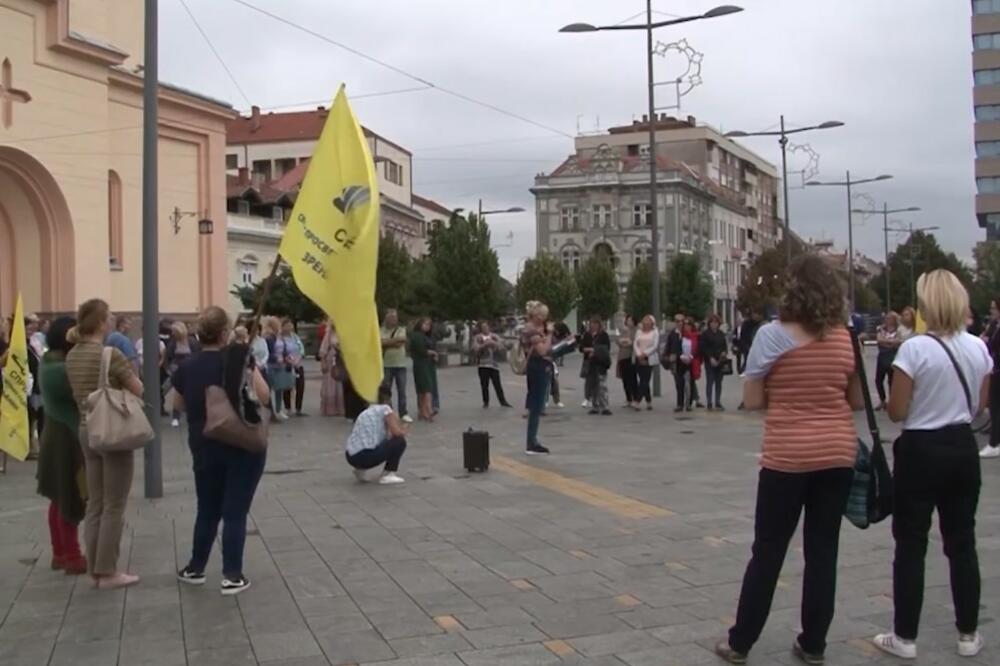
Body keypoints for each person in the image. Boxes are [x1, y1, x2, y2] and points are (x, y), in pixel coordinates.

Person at [716, 255, 862, 665]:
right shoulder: (844, 337)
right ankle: (813, 644)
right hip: (837, 454)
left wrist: (787, 394)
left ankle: (740, 642)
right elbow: (855, 400)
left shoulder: (771, 335)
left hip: (787, 456)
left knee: (768, 550)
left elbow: (753, 400)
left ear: (792, 289)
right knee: (823, 552)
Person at [872, 270, 992, 660]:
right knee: (962, 543)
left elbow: (897, 412)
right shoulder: (978, 348)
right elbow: (979, 407)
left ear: (927, 305)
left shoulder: (914, 350)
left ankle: (905, 636)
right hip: (961, 446)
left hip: (921, 449)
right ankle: (969, 634)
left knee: (911, 543)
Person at [173, 306, 270, 596]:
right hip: (242, 444)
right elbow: (263, 396)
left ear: (199, 335)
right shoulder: (239, 360)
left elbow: (176, 404)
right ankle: (232, 575)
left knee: (207, 508)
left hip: (204, 445)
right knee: (235, 511)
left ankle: (196, 567)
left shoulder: (187, 366)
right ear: (225, 333)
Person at [65, 298, 144, 590]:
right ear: (100, 323)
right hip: (112, 431)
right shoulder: (109, 354)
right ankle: (108, 571)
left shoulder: (72, 355)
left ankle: (95, 570)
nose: (111, 321)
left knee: (95, 503)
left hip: (86, 429)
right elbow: (138, 388)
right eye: (108, 317)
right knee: (114, 504)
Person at [36, 317, 87, 575]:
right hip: (65, 435)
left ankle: (60, 552)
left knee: (58, 497)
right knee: (69, 494)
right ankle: (72, 555)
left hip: (56, 432)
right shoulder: (60, 369)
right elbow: (81, 393)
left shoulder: (50, 362)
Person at [345, 385, 408, 485]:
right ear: (388, 399)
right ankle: (388, 473)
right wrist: (404, 429)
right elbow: (396, 433)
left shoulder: (366, 411)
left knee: (370, 442)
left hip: (351, 455)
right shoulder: (385, 409)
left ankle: (360, 470)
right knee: (400, 441)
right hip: (365, 456)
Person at [522, 302, 553, 455]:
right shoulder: (531, 329)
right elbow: (542, 350)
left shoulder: (534, 329)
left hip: (539, 366)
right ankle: (531, 441)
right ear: (535, 314)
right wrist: (549, 336)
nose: (543, 318)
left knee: (537, 404)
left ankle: (532, 440)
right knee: (537, 404)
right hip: (537, 366)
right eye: (541, 314)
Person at [165, 321, 200, 427]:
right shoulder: (173, 342)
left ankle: (192, 415)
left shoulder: (192, 341)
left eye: (175, 332)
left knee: (191, 394)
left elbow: (198, 355)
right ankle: (176, 417)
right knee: (178, 394)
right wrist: (169, 370)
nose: (173, 334)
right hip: (177, 370)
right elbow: (168, 356)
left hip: (191, 370)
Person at [380, 309, 412, 423]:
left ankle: (403, 412)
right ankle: (389, 412)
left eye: (395, 317)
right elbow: (380, 342)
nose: (394, 319)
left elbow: (401, 341)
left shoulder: (401, 329)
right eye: (391, 317)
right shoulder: (381, 330)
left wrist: (388, 341)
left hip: (400, 364)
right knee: (386, 390)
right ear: (386, 318)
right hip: (386, 364)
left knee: (401, 390)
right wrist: (394, 341)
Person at [474, 321, 512, 408]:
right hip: (483, 365)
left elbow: (502, 345)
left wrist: (493, 343)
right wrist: (484, 345)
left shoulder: (494, 336)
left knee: (497, 384)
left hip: (494, 364)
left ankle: (503, 401)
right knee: (484, 385)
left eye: (486, 327)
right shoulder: (478, 337)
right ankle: (486, 402)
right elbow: (476, 349)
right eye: (483, 327)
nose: (485, 329)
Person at [580, 316, 612, 415]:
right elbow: (581, 348)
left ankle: (605, 406)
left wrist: (595, 351)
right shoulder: (587, 335)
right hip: (590, 363)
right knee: (592, 385)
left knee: (602, 385)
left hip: (600, 363)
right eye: (591, 324)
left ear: (599, 324)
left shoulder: (603, 335)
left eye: (595, 323)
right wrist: (588, 350)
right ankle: (595, 406)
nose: (593, 326)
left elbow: (606, 348)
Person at [981, 298, 1000, 459]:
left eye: (994, 308)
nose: (991, 311)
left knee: (995, 407)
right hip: (995, 370)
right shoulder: (994, 326)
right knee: (994, 407)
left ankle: (994, 443)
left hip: (998, 370)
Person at [410, 317, 439, 421]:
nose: (427, 326)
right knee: (426, 388)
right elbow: (421, 350)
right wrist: (432, 352)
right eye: (425, 324)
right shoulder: (417, 336)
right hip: (421, 364)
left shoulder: (426, 336)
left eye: (429, 325)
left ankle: (422, 411)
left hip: (428, 364)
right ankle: (429, 410)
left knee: (423, 389)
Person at [263, 317, 291, 422]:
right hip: (271, 366)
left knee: (280, 388)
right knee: (269, 389)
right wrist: (276, 358)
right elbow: (268, 353)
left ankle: (278, 410)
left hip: (280, 365)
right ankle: (270, 412)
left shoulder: (278, 336)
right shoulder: (269, 337)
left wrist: (286, 356)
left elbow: (283, 349)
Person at [700, 314, 728, 411]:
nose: (714, 324)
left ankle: (717, 401)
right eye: (712, 322)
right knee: (710, 381)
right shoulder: (705, 334)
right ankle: (709, 402)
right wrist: (710, 357)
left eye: (716, 322)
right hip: (710, 361)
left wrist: (724, 353)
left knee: (719, 382)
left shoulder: (721, 334)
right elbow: (703, 347)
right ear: (709, 323)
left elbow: (725, 346)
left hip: (720, 360)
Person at [279, 318, 307, 416]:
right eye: (287, 325)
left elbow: (301, 349)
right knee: (287, 387)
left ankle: (298, 408)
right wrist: (290, 361)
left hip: (298, 364)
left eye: (290, 325)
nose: (289, 327)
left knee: (300, 386)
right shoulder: (281, 338)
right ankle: (288, 408)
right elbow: (281, 351)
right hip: (287, 365)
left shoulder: (295, 337)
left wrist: (298, 359)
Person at [875, 312, 902, 411]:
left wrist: (886, 342)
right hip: (882, 356)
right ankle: (882, 400)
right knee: (878, 380)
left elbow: (898, 342)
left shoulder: (899, 330)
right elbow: (879, 340)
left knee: (891, 380)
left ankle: (892, 401)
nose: (888, 320)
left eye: (890, 318)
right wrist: (891, 343)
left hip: (893, 357)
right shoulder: (880, 328)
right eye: (887, 318)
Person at [632, 315, 659, 411]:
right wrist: (639, 354)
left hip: (649, 358)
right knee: (643, 381)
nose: (646, 322)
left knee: (644, 380)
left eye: (648, 320)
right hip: (639, 358)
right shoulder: (639, 331)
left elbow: (655, 345)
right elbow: (635, 343)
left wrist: (645, 354)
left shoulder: (655, 332)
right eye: (644, 320)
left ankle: (637, 401)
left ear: (652, 322)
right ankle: (649, 401)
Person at [318, 320, 345, 417]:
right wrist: (323, 362)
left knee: (341, 383)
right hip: (331, 361)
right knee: (330, 383)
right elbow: (323, 349)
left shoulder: (345, 333)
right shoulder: (329, 334)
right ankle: (330, 409)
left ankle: (341, 407)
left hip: (342, 360)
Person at [616, 315, 639, 410]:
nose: (628, 322)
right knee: (624, 379)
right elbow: (618, 340)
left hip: (630, 357)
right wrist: (622, 341)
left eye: (630, 320)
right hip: (622, 356)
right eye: (627, 320)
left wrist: (629, 342)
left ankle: (635, 398)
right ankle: (628, 398)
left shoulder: (636, 331)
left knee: (632, 379)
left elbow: (635, 342)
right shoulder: (623, 331)